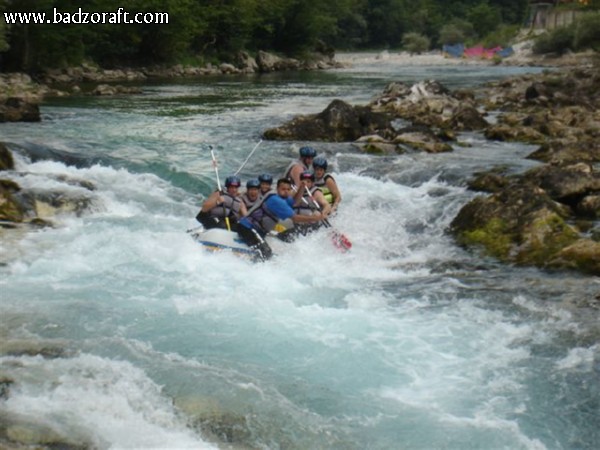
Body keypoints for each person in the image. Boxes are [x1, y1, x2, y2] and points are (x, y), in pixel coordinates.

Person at [237, 178, 325, 260]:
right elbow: (295, 218)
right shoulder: (275, 200)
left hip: (258, 230)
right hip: (248, 227)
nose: (286, 192)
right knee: (266, 251)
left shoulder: (283, 198)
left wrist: (301, 188)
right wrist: (316, 218)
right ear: (277, 189)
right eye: (283, 189)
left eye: (288, 189)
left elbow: (295, 203)